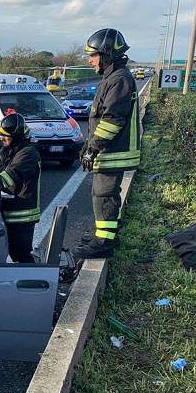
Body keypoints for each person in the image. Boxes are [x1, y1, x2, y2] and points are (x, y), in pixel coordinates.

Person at [74, 28, 140, 259]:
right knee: (104, 195)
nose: (90, 60)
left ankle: (104, 243)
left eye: (93, 55)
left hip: (113, 152)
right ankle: (108, 235)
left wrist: (93, 147)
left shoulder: (119, 79)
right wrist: (88, 145)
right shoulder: (113, 78)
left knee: (104, 196)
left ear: (107, 53)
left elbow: (112, 119)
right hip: (110, 150)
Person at [0, 113, 41, 263]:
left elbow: (10, 176)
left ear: (17, 136)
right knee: (14, 253)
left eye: (6, 136)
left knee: (21, 255)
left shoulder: (28, 153)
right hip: (13, 210)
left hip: (22, 214)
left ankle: (31, 281)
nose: (2, 139)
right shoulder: (14, 151)